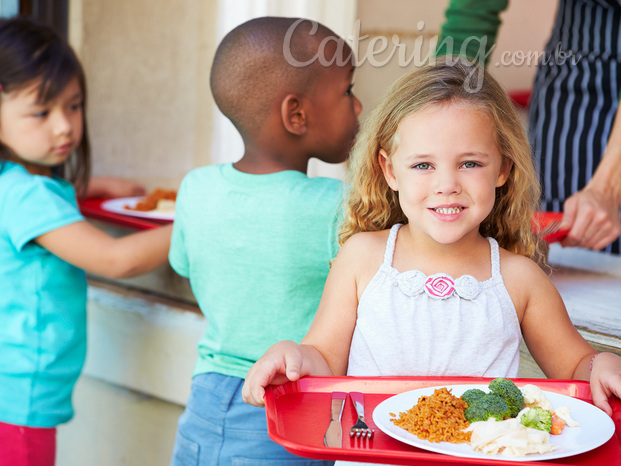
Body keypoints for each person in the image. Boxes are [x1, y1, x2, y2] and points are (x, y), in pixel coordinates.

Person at [242, 57, 621, 465]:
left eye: (470, 163)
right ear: (388, 170)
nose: (446, 185)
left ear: (503, 168)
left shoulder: (518, 279)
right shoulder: (363, 259)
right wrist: (292, 356)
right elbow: (322, 357)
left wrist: (602, 364)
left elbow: (577, 365)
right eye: (423, 165)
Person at [168, 16, 361, 466]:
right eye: (347, 91)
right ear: (297, 114)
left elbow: (183, 265)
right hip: (285, 404)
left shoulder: (195, 188)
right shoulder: (337, 207)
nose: (358, 107)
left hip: (204, 403)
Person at [0, 17, 173, 465]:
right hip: (19, 399)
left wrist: (95, 186)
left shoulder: (17, 182)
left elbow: (45, 203)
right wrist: (197, 220)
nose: (64, 127)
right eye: (41, 112)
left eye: (73, 106)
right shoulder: (28, 196)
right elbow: (115, 260)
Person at [436, 0, 621, 254]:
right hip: (577, 54)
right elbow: (475, 7)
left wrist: (607, 189)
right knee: (573, 227)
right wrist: (442, 98)